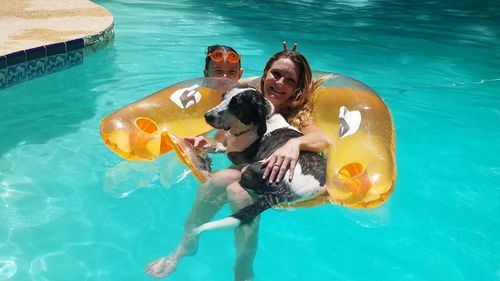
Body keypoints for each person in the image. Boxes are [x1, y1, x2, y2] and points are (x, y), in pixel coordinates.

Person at [145, 42, 331, 281]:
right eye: (275, 74)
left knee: (237, 191)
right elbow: (223, 142)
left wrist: (294, 144)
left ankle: (243, 268)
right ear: (265, 75)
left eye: (290, 80)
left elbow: (320, 139)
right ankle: (186, 243)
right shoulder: (245, 102)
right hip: (254, 171)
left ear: (297, 88)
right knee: (226, 180)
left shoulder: (297, 115)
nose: (280, 83)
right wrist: (208, 145)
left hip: (282, 177)